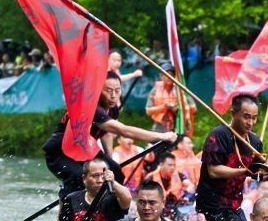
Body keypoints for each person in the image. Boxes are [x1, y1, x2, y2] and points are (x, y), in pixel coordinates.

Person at [43, 72, 176, 198]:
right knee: (79, 178)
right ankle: (66, 218)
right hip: (60, 152)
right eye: (108, 90)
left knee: (115, 171)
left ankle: (108, 212)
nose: (113, 95)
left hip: (83, 149)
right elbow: (124, 130)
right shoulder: (92, 107)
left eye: (117, 91)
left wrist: (108, 156)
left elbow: (105, 133)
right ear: (98, 90)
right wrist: (161, 136)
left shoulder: (113, 110)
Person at [195, 94, 268, 221]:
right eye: (246, 117)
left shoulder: (255, 142)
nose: (251, 122)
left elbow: (255, 174)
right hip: (212, 201)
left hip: (234, 202)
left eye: (254, 118)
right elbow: (214, 171)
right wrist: (244, 171)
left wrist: (267, 172)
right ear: (233, 113)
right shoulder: (218, 135)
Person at [144, 153, 194, 221]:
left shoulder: (179, 175)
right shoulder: (150, 178)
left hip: (175, 208)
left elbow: (190, 184)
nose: (173, 167)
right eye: (170, 165)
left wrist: (189, 189)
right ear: (161, 165)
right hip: (157, 211)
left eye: (174, 165)